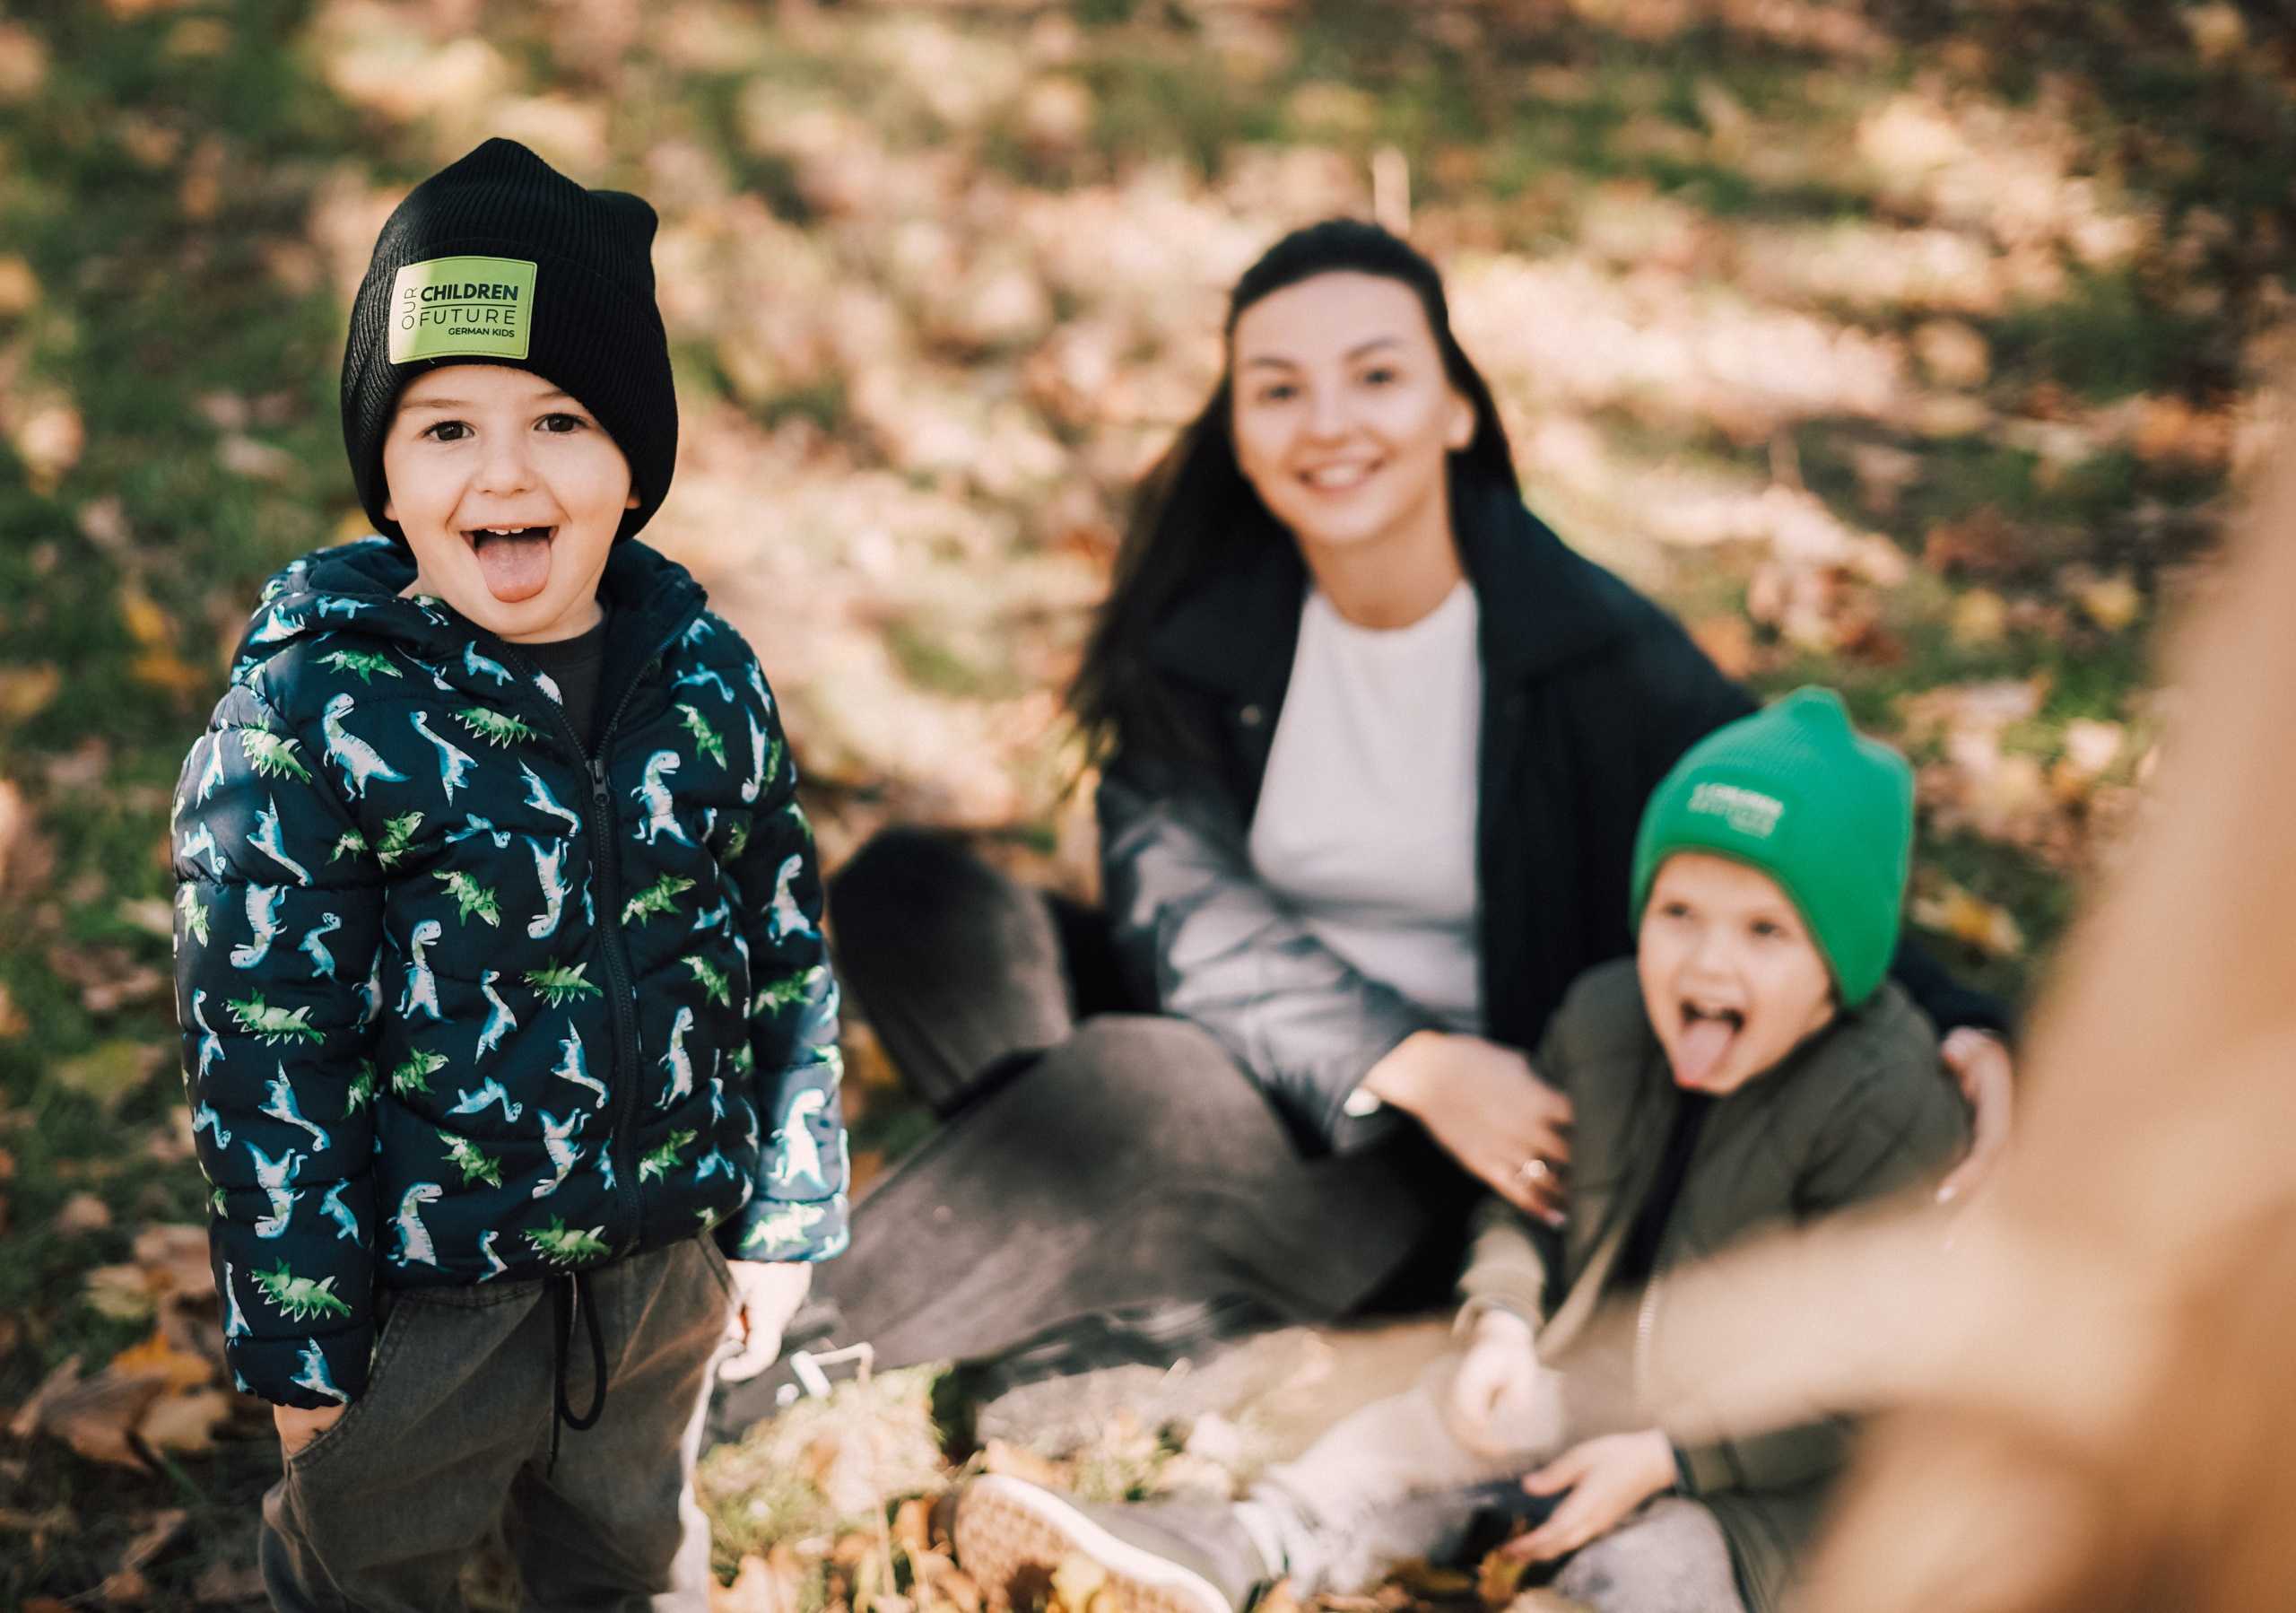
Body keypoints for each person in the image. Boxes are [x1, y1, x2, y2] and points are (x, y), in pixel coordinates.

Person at [793, 219, 2011, 1395]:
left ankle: (762, 1354)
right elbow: (1179, 911)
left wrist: (1962, 1018)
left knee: (1135, 1089)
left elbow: (1784, 846)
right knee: (914, 894)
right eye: (1278, 390)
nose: (1328, 422)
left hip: (1459, 1157)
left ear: (1456, 407)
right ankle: (1156, 1297)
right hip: (1307, 1045)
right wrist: (1402, 1056)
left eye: (1375, 375)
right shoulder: (1208, 639)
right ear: (1242, 432)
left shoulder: (1588, 647)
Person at [170, 138, 846, 1609]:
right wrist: (299, 1329)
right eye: (444, 428)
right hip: (419, 1300)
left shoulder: (707, 678)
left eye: (558, 417)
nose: (506, 472)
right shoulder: (312, 715)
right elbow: (267, 1042)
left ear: (631, 463)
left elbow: (783, 956)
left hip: (656, 1268)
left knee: (631, 1542)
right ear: (389, 477)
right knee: (376, 1558)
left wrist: (783, 1217)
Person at [953, 686, 1969, 1613]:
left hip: (1757, 1480)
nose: (1706, 957)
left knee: (1658, 1572)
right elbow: (1530, 1198)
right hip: (1584, 1381)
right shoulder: (1608, 1022)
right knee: (1411, 1434)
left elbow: (1860, 1370)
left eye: (1764, 932)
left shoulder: (1881, 1099)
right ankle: (1229, 1541)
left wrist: (1674, 1458)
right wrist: (1500, 1323)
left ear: (1841, 962)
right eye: (1679, 912)